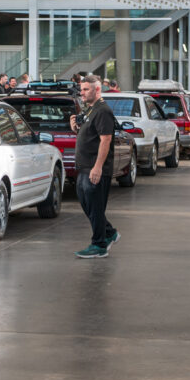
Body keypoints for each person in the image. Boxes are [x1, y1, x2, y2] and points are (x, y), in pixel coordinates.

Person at [69, 74, 119, 259]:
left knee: (95, 207)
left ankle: (99, 245)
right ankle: (109, 233)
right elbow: (91, 135)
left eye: (86, 89)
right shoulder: (91, 110)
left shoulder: (103, 111)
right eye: (81, 89)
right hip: (84, 167)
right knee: (88, 205)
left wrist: (98, 167)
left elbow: (106, 140)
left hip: (94, 168)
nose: (81, 93)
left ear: (97, 89)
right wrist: (76, 128)